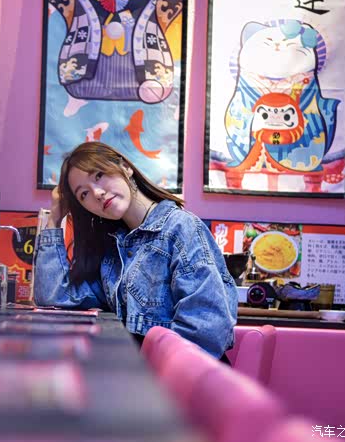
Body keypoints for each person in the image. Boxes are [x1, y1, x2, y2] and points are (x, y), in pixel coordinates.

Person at [34, 142, 237, 361]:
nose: (97, 193)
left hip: (182, 375)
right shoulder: (113, 250)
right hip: (138, 371)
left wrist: (143, 376)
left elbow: (205, 331)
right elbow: (54, 296)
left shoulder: (180, 228)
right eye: (84, 194)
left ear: (126, 167)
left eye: (99, 175)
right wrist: (54, 220)